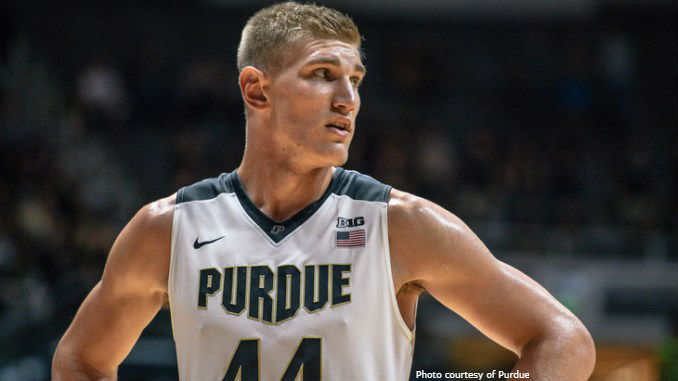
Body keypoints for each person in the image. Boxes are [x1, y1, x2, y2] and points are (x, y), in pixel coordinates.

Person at [51, 2, 595, 380]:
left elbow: (563, 340)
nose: (348, 99)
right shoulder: (165, 230)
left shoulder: (402, 225)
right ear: (256, 89)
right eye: (322, 74)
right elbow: (79, 362)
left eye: (355, 79)